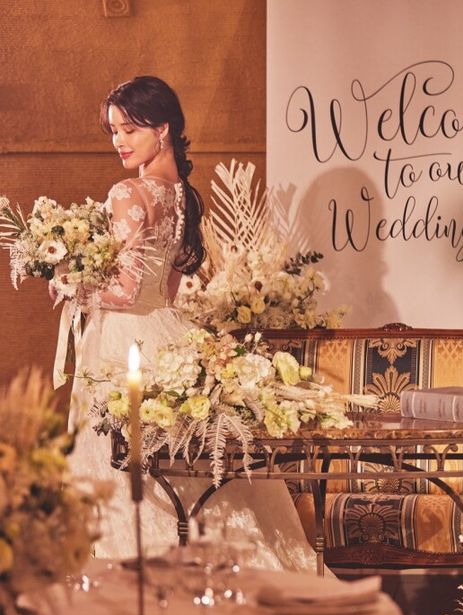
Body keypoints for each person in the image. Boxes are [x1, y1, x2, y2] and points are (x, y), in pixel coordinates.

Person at [64, 76, 320, 572]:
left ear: (162, 129)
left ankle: (141, 574)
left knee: (129, 465)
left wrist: (72, 283)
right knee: (185, 465)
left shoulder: (129, 192)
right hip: (167, 333)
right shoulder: (185, 197)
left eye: (129, 130)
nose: (118, 142)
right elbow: (167, 290)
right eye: (113, 131)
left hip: (122, 343)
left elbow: (127, 294)